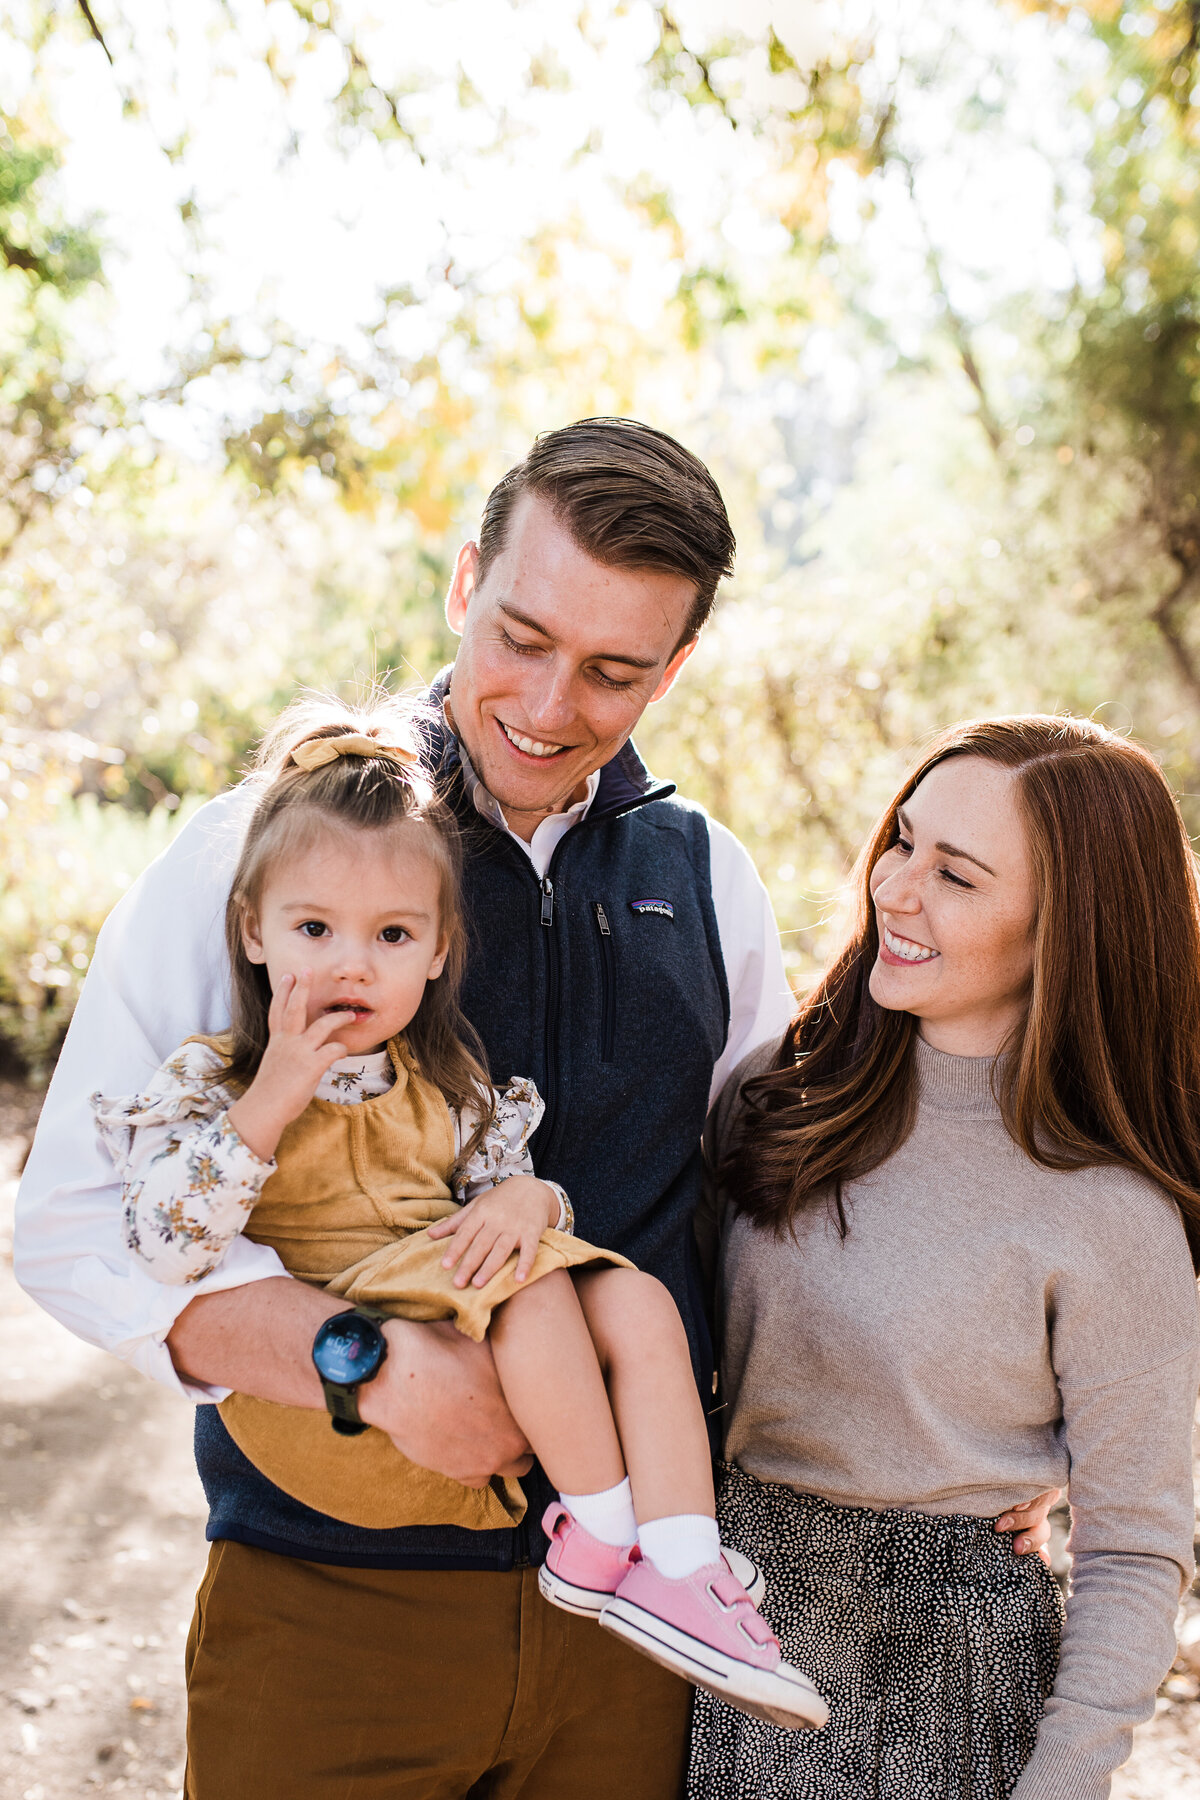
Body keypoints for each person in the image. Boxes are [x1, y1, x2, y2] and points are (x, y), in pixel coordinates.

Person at [15, 417, 1052, 1798]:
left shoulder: (708, 876)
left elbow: (782, 1223)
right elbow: (76, 1227)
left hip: (636, 1643)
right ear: (462, 587)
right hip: (332, 1601)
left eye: (615, 671)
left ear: (676, 670)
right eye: (521, 637)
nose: (551, 705)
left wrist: (977, 1441)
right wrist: (363, 1370)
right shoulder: (266, 853)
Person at [92, 695, 824, 1729]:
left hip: (448, 1272)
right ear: (252, 930)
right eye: (314, 929)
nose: (352, 963)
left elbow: (507, 1182)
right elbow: (158, 1243)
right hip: (370, 1325)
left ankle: (679, 1563)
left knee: (639, 1306)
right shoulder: (219, 1081)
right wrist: (274, 1095)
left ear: (440, 951)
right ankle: (602, 1539)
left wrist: (535, 1192)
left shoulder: (449, 1078)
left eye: (393, 934)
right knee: (534, 1301)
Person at [691, 715, 1200, 1800]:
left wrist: (1061, 1782)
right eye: (904, 841)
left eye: (957, 876)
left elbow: (1134, 1553)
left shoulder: (1115, 1213)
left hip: (956, 1681)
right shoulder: (775, 1095)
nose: (897, 888)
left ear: (1065, 929)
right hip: (731, 1629)